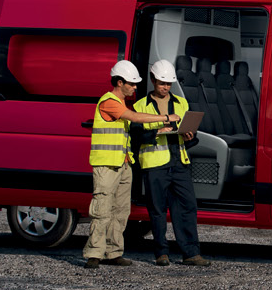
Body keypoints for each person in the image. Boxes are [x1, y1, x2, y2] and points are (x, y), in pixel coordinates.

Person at [84, 60, 168, 270]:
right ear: (119, 82)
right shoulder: (109, 101)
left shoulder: (121, 104)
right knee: (102, 209)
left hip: (122, 164)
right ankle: (94, 254)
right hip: (106, 165)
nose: (135, 87)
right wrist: (165, 117)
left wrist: (158, 131)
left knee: (121, 211)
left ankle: (113, 252)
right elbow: (134, 117)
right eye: (131, 83)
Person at [133, 59, 207, 267]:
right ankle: (161, 253)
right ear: (152, 80)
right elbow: (136, 137)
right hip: (155, 164)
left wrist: (189, 136)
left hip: (179, 162)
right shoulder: (140, 106)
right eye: (161, 83)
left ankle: (191, 253)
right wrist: (158, 131)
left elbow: (190, 134)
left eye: (168, 84)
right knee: (157, 210)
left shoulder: (181, 103)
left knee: (187, 207)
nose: (165, 87)